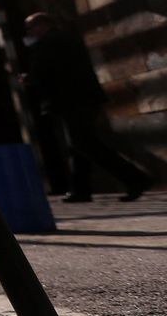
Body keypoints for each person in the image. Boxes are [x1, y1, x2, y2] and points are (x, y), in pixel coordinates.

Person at [21, 12, 150, 203]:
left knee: (84, 144)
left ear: (42, 25)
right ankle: (81, 190)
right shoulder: (66, 38)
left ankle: (135, 178)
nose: (29, 32)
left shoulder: (49, 43)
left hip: (71, 100)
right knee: (79, 145)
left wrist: (28, 78)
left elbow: (45, 70)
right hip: (83, 98)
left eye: (30, 28)